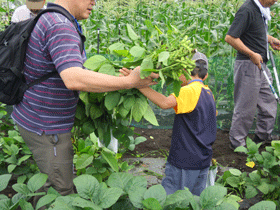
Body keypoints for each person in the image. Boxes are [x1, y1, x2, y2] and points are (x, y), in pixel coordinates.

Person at [10, 0, 158, 208]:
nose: (94, 2)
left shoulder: (51, 16)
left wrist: (115, 77)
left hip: (34, 117)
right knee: (61, 191)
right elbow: (73, 78)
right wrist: (129, 82)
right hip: (47, 127)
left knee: (50, 180)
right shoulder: (60, 25)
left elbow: (67, 68)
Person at [120, 52, 217, 196]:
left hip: (184, 161)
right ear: (206, 75)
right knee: (194, 200)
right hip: (203, 160)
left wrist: (136, 84)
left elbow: (165, 103)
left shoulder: (189, 90)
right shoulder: (209, 93)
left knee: (174, 199)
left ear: (184, 71)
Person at [225, 0, 280, 151]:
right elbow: (230, 37)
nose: (275, 1)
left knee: (269, 102)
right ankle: (237, 144)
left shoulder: (261, 10)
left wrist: (270, 40)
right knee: (245, 107)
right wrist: (251, 54)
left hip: (261, 65)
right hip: (248, 65)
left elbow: (254, 32)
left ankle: (263, 137)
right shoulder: (247, 10)